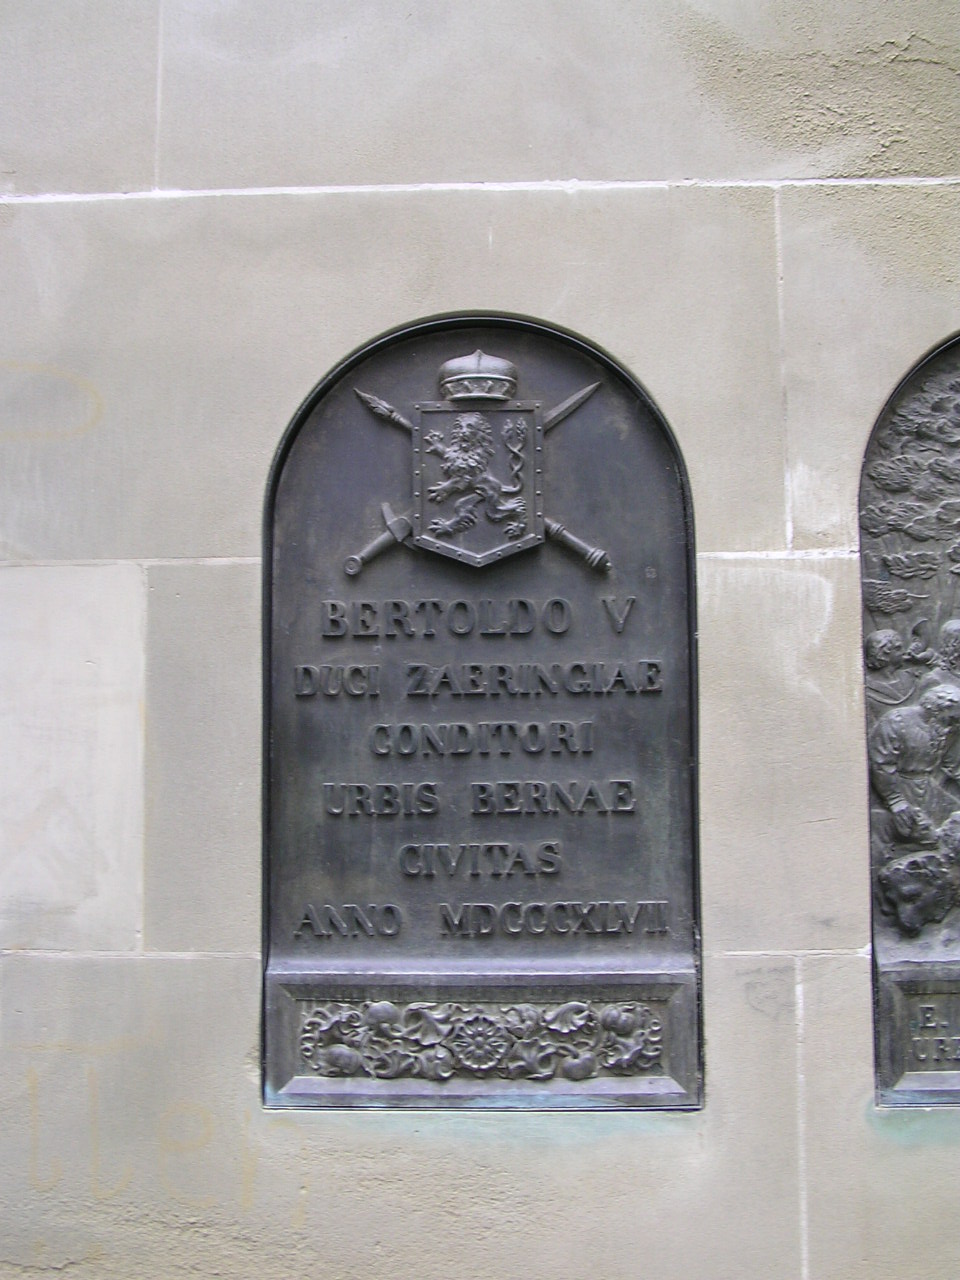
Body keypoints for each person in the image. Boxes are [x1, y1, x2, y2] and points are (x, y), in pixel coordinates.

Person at [869, 683, 960, 846]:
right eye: (952, 718)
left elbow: (952, 762)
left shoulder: (944, 727)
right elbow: (881, 764)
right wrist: (896, 801)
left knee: (954, 814)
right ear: (939, 709)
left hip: (928, 787)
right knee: (907, 828)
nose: (954, 724)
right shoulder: (897, 721)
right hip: (898, 787)